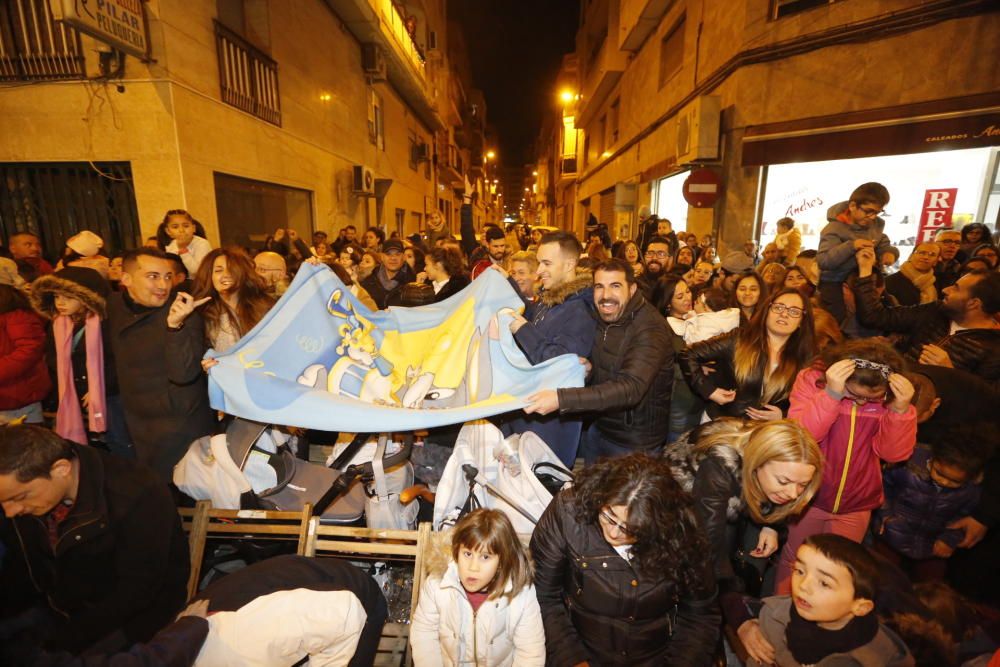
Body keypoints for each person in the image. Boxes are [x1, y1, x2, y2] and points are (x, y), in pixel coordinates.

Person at [0, 424, 189, 655]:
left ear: (61, 469)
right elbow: (21, 567)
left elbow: (137, 591)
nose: (9, 511)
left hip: (129, 620)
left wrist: (60, 644)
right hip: (54, 608)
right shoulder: (22, 492)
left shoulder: (137, 492)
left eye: (19, 497)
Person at [530, 453, 720, 666]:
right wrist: (571, 658)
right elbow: (545, 597)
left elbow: (700, 616)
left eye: (630, 529)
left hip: (656, 655)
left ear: (658, 525)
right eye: (609, 515)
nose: (613, 533)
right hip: (582, 648)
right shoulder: (567, 512)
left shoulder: (683, 532)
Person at [776, 339, 917, 594]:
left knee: (838, 569)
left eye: (871, 398)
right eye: (855, 395)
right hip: (810, 496)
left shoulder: (892, 399)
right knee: (796, 561)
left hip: (857, 502)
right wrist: (831, 394)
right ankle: (780, 616)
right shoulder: (814, 381)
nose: (862, 403)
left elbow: (893, 454)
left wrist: (900, 410)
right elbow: (803, 435)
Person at [524, 259, 673, 463]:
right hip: (599, 430)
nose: (606, 296)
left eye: (615, 286)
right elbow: (610, 365)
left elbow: (630, 388)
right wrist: (590, 369)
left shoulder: (650, 328)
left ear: (632, 289)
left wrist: (561, 399)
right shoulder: (603, 316)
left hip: (634, 445)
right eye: (599, 287)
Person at [665, 419, 822, 603]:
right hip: (684, 505)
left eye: (803, 485)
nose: (793, 493)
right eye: (783, 482)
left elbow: (776, 488)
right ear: (758, 463)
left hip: (732, 496)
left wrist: (772, 525)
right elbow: (709, 540)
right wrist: (730, 596)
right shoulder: (721, 463)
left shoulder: (776, 464)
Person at [107, 248, 214, 479]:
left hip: (180, 426)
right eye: (152, 276)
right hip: (137, 424)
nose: (163, 285)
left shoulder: (183, 313)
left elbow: (184, 374)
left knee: (189, 494)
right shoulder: (114, 308)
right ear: (125, 279)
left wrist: (174, 327)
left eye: (167, 277)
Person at [743, 534, 914, 667]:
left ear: (860, 607)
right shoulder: (773, 617)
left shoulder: (881, 657)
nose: (803, 586)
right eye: (800, 571)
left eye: (824, 583)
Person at [502, 231, 595, 466]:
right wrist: (507, 283)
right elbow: (539, 323)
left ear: (570, 264)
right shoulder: (552, 298)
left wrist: (522, 329)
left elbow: (560, 366)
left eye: (546, 263)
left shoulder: (580, 312)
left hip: (548, 433)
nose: (539, 270)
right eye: (538, 262)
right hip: (531, 420)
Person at [411, 509, 544, 667]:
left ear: (502, 561)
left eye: (485, 557)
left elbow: (530, 653)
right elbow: (424, 633)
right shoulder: (437, 585)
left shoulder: (520, 593)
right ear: (456, 551)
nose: (473, 567)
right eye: (467, 554)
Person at [853, 247, 1000, 385]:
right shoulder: (936, 311)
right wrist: (865, 270)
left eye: (956, 288)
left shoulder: (993, 347)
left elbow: (986, 399)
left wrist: (951, 373)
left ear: (974, 303)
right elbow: (876, 316)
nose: (945, 290)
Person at [30, 267, 132, 456]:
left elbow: (117, 360)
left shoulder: (106, 323)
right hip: (76, 393)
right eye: (56, 297)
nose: (60, 303)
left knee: (118, 440)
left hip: (110, 394)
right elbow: (53, 359)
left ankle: (129, 477)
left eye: (68, 297)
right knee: (88, 445)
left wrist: (98, 388)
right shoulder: (58, 324)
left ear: (87, 298)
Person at [873, 427, 992, 582]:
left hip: (932, 544)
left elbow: (963, 518)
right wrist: (885, 515)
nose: (944, 482)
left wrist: (949, 540)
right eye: (939, 473)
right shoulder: (907, 467)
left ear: (970, 477)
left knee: (932, 585)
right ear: (933, 458)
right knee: (882, 577)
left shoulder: (971, 491)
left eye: (955, 481)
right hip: (891, 533)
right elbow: (882, 488)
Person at [679, 288, 815, 421]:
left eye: (794, 311)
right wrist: (709, 391)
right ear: (767, 310)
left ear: (802, 321)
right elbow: (688, 354)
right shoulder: (740, 338)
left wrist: (784, 415)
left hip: (764, 434)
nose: (784, 314)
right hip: (722, 426)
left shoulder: (805, 357)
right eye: (779, 307)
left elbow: (808, 402)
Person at [817, 182, 894, 322]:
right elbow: (824, 261)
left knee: (885, 311)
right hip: (835, 282)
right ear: (853, 206)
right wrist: (852, 246)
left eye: (877, 212)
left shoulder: (875, 224)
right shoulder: (833, 228)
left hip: (865, 280)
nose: (872, 217)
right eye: (868, 211)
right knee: (837, 320)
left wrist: (888, 252)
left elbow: (882, 240)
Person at [185, 247, 275, 353]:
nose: (226, 275)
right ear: (210, 277)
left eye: (232, 269)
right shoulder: (202, 315)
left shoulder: (265, 307)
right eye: (218, 271)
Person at [0, 283, 50, 424]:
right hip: (8, 396)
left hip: (17, 397)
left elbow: (28, 351)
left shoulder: (19, 318)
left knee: (22, 442)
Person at [361, 238, 415, 309]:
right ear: (382, 257)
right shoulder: (368, 283)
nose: (393, 258)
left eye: (397, 254)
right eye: (388, 254)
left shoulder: (412, 283)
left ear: (403, 257)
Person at [161, 209, 213, 276]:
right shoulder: (171, 246)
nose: (181, 230)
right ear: (168, 231)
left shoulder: (202, 244)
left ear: (193, 228)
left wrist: (183, 251)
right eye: (175, 227)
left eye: (186, 226)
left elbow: (196, 271)